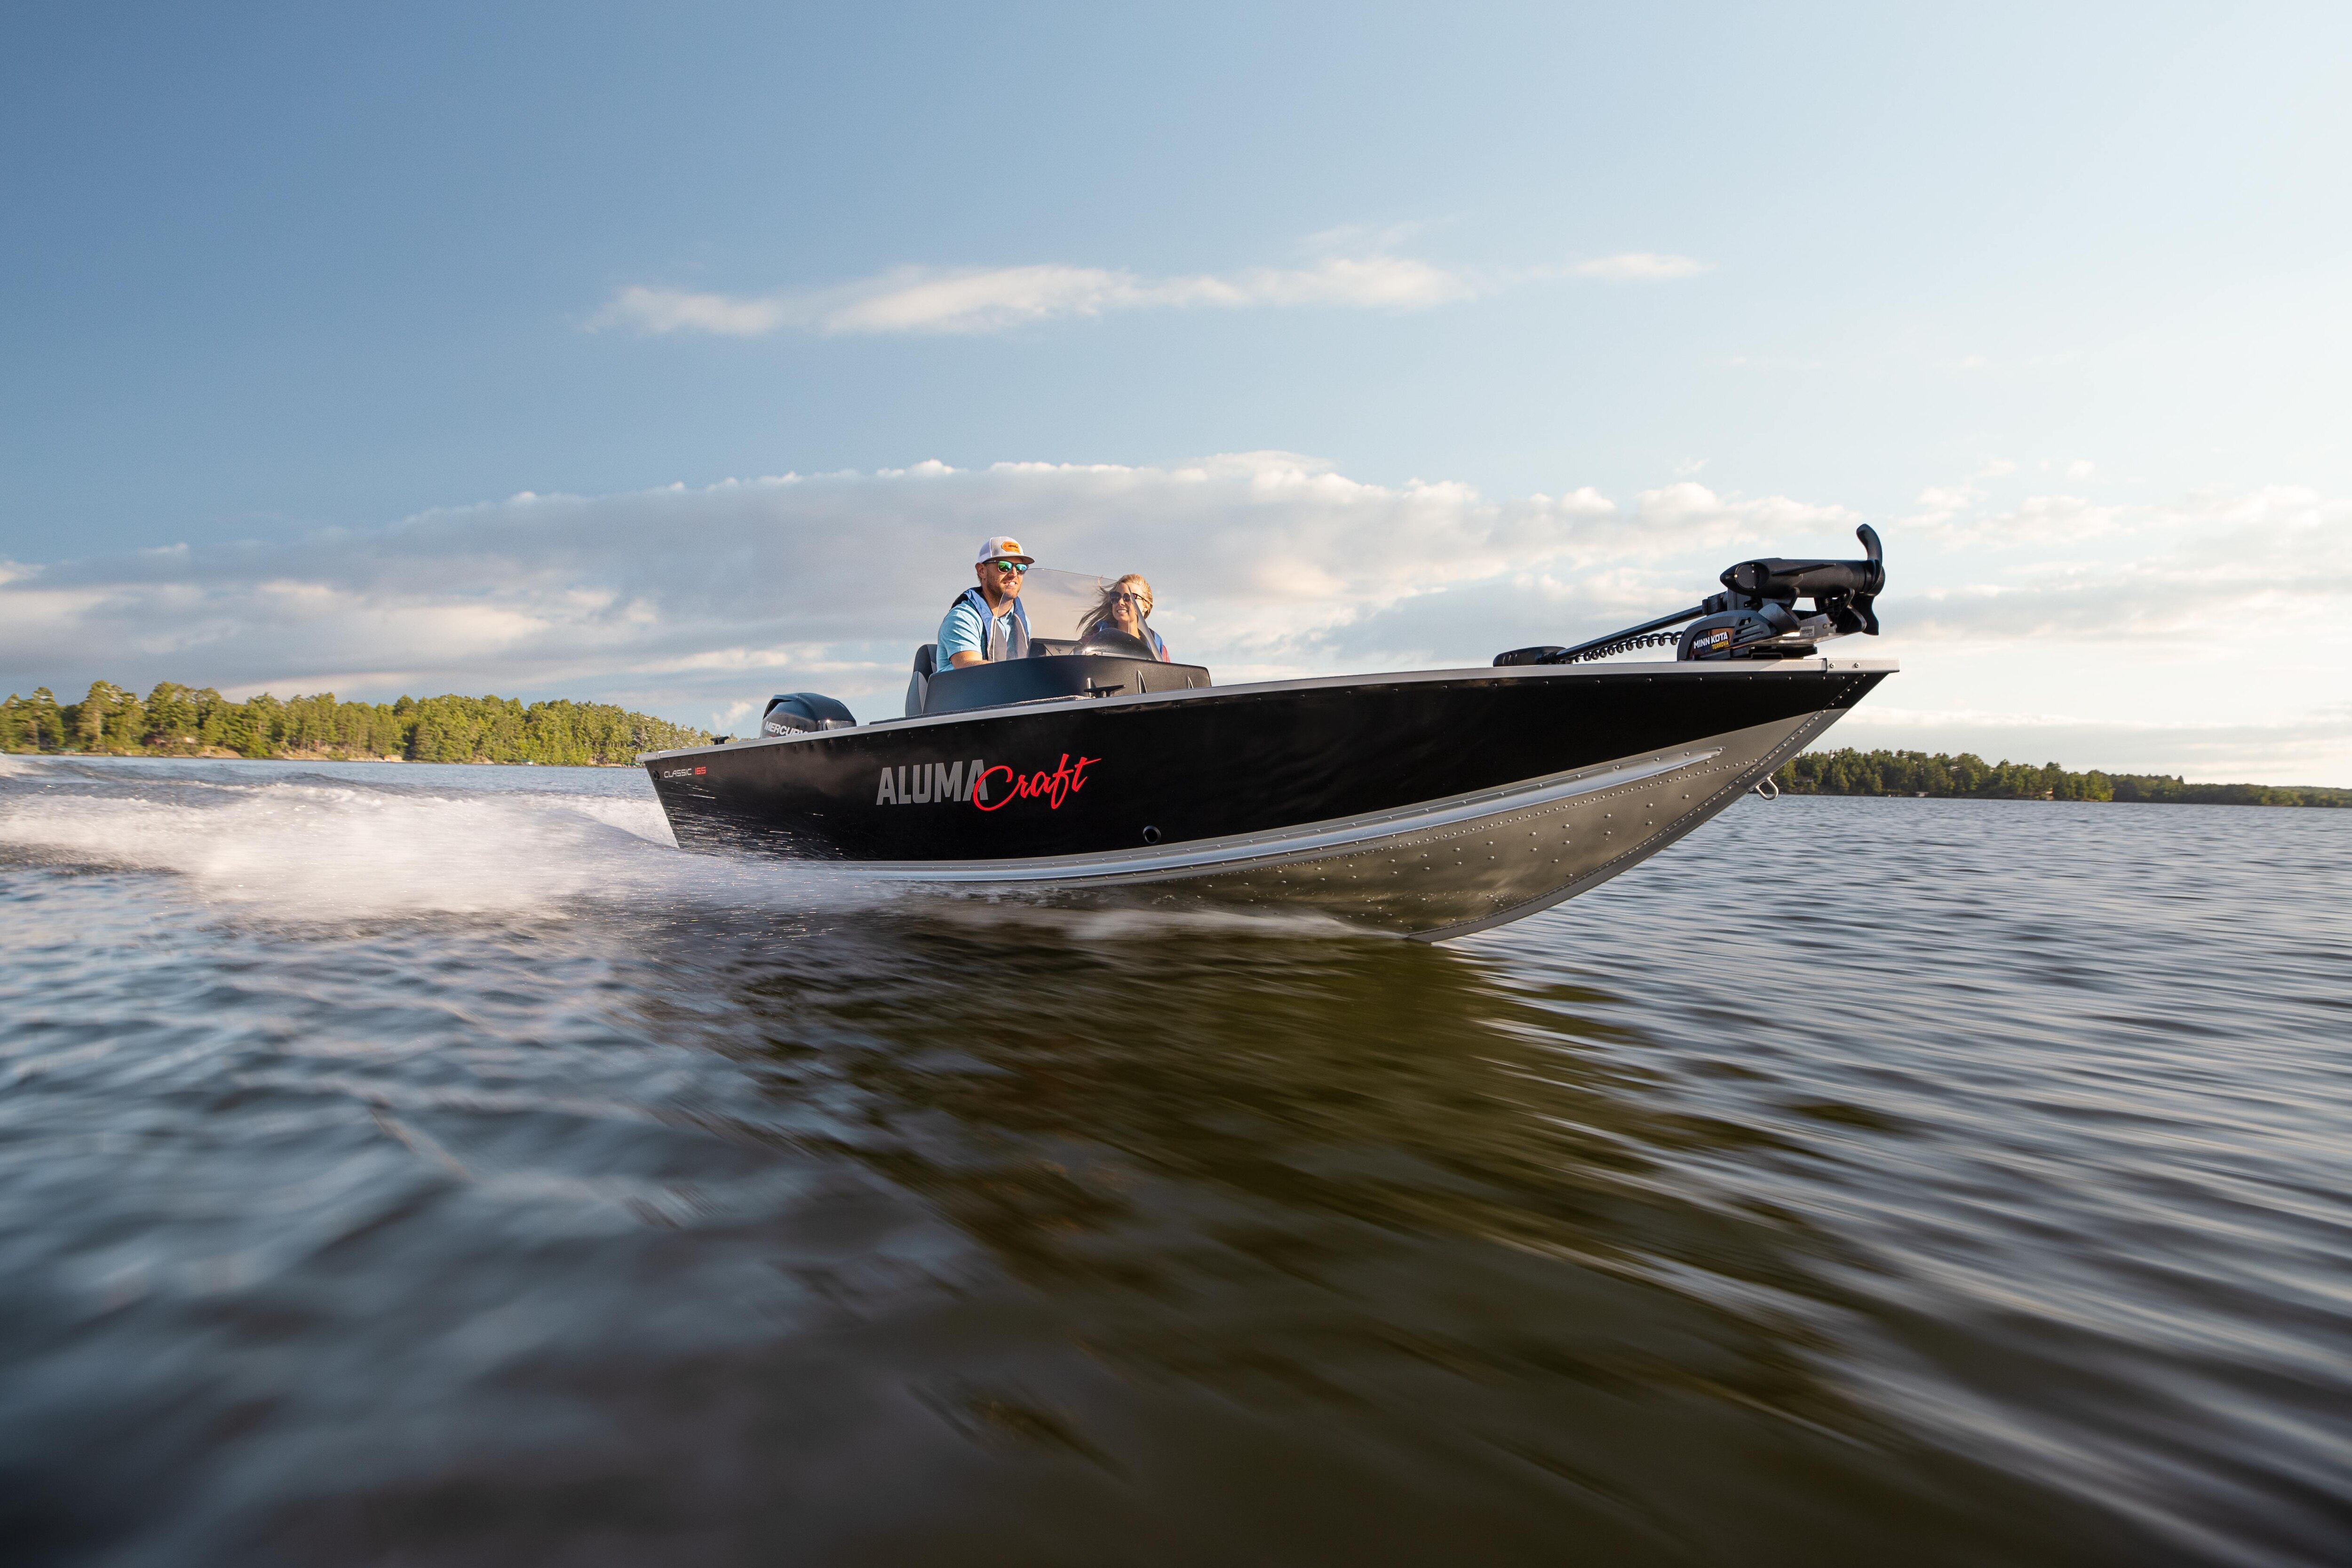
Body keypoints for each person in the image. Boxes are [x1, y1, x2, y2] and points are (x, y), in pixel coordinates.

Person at [937, 536, 1034, 668]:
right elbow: (969, 669)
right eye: (1004, 567)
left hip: (1007, 688)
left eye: (1021, 568)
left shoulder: (1023, 622)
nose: (1014, 573)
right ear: (982, 571)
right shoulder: (963, 617)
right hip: (969, 689)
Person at [1078, 573, 1171, 660]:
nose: (1120, 602)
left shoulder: (1158, 649)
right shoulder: (1094, 641)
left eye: (1129, 597)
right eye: (1116, 597)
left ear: (1146, 606)